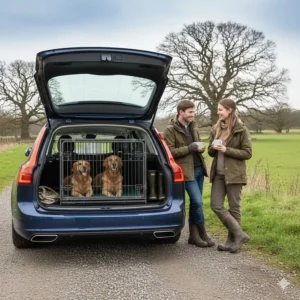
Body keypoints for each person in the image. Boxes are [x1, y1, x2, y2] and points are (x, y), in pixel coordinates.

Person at [163, 100, 215, 248]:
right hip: (186, 172)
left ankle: (193, 236)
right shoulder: (170, 129)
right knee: (198, 202)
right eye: (190, 112)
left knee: (195, 203)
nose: (193, 114)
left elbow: (196, 143)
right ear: (181, 112)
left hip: (199, 169)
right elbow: (170, 152)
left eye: (193, 111)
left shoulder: (193, 125)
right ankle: (202, 232)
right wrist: (190, 148)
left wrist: (200, 148)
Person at [208, 98, 252, 253]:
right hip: (218, 174)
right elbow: (210, 152)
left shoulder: (241, 129)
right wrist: (213, 147)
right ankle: (240, 234)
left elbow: (247, 153)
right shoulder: (216, 128)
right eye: (218, 110)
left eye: (220, 110)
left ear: (229, 110)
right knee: (216, 205)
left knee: (234, 208)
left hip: (234, 174)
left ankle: (231, 241)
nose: (218, 112)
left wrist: (227, 150)